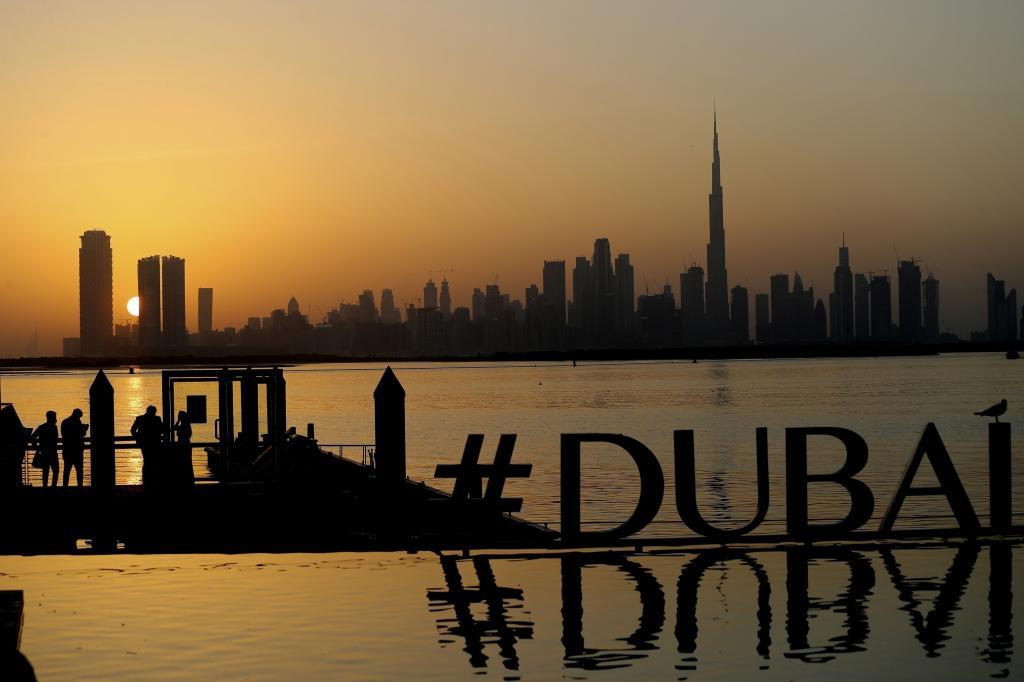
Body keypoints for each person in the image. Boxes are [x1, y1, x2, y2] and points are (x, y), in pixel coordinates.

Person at [131, 405, 164, 485]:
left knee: (147, 460)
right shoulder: (157, 419)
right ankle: (152, 480)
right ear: (154, 412)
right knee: (153, 461)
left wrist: (138, 439)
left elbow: (133, 430)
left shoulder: (140, 419)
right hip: (155, 443)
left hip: (145, 443)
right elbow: (162, 430)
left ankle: (146, 479)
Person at [60, 408, 88, 487]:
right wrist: (85, 429)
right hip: (77, 450)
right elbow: (80, 435)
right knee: (79, 471)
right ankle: (80, 486)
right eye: (79, 417)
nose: (79, 419)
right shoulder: (77, 422)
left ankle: (65, 486)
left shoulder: (64, 422)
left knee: (66, 471)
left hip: (67, 449)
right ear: (77, 415)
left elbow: (64, 435)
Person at [31, 411, 59, 487]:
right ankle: (53, 486)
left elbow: (33, 437)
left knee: (46, 471)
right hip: (52, 452)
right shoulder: (54, 427)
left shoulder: (42, 427)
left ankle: (45, 487)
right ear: (51, 418)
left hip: (44, 452)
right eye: (54, 417)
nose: (55, 419)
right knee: (55, 471)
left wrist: (36, 448)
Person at [173, 410, 194, 486]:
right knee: (187, 461)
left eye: (179, 416)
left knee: (182, 461)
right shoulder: (187, 425)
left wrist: (178, 420)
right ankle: (187, 479)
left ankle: (183, 479)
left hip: (181, 444)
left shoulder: (183, 426)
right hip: (187, 444)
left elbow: (174, 428)